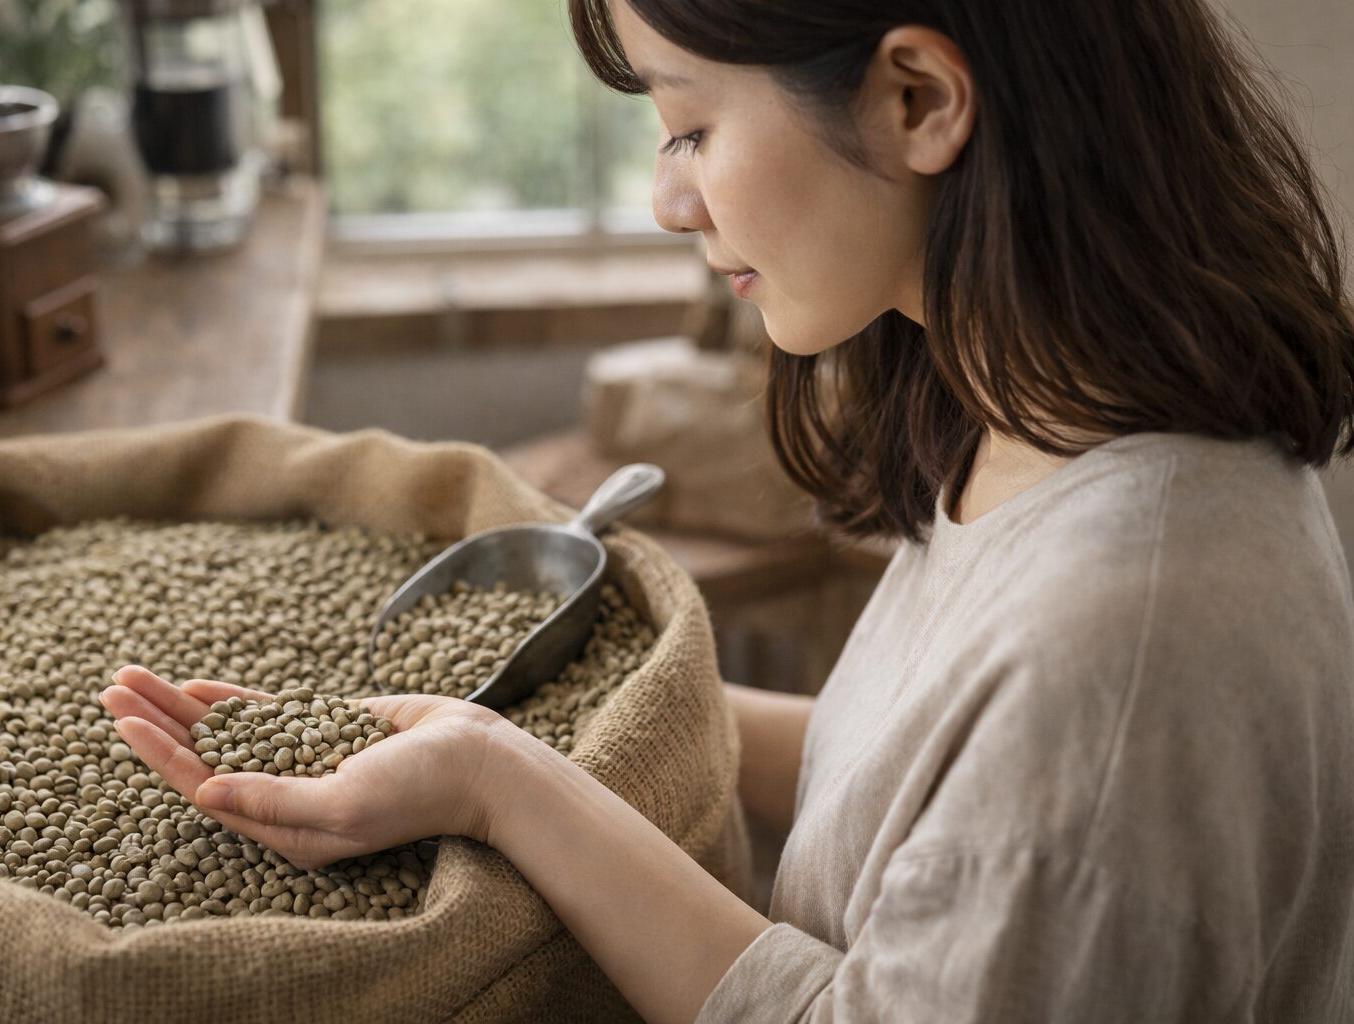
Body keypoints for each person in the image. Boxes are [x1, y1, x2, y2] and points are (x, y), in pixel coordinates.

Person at [100, 0, 1354, 1019]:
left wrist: (498, 781)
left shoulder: (1126, 645)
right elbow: (929, 796)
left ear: (918, 97)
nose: (667, 197)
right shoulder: (1039, 418)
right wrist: (579, 707)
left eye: (690, 126)